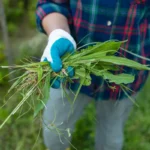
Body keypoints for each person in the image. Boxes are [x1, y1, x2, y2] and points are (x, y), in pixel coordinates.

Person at [36, 0, 150, 150]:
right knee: (54, 130)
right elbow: (51, 3)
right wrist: (59, 33)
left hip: (123, 76)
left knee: (111, 138)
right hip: (69, 70)